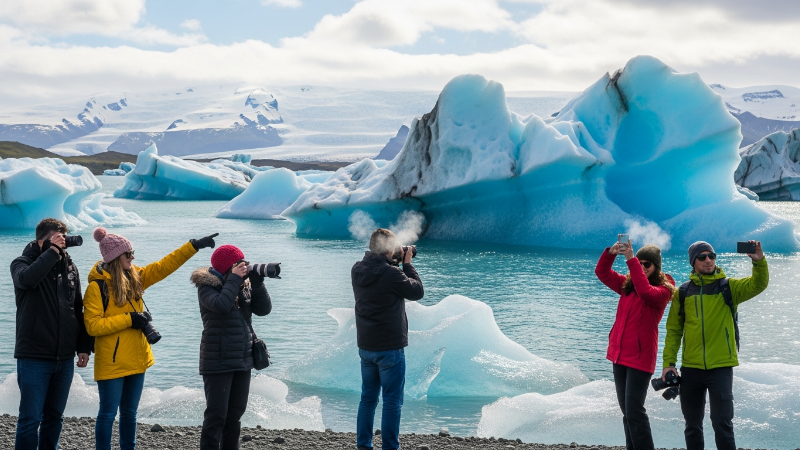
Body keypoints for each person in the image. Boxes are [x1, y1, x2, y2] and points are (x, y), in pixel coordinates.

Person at [83, 227, 217, 450]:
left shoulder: (135, 278)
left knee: (129, 414)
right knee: (107, 414)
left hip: (137, 359)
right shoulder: (96, 288)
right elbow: (92, 325)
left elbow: (165, 266)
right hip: (112, 362)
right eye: (128, 253)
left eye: (132, 252)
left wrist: (193, 245)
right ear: (116, 258)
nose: (132, 257)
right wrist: (129, 319)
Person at [661, 240, 768, 450]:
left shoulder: (729, 287)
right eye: (702, 257)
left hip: (721, 367)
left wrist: (759, 262)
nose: (708, 260)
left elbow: (758, 284)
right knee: (692, 425)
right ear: (693, 262)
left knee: (722, 423)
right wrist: (668, 363)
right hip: (691, 368)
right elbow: (673, 331)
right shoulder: (682, 293)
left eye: (711, 256)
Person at [10, 218, 93, 450]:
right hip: (34, 356)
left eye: (63, 240)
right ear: (40, 241)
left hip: (64, 357)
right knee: (30, 419)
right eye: (57, 239)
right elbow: (27, 280)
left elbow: (78, 308)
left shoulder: (70, 268)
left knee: (54, 418)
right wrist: (53, 252)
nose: (62, 244)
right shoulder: (21, 263)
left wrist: (84, 346)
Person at [595, 240, 675, 450]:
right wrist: (610, 253)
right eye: (639, 263)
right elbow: (602, 273)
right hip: (619, 355)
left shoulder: (664, 290)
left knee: (634, 410)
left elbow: (646, 292)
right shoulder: (627, 286)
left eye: (646, 264)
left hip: (640, 357)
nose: (642, 267)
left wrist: (631, 261)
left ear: (656, 267)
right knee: (627, 412)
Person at [190, 245, 272, 449]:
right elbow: (221, 305)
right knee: (216, 415)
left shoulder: (241, 285)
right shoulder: (207, 286)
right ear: (229, 267)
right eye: (240, 264)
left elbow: (263, 310)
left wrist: (258, 283)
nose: (244, 268)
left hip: (242, 359)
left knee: (235, 414)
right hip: (217, 359)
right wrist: (235, 280)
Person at [351, 229, 424, 450]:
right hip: (390, 347)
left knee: (368, 399)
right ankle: (390, 447)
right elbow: (417, 291)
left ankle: (363, 446)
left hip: (366, 346)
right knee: (392, 402)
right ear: (389, 249)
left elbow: (379, 273)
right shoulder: (392, 274)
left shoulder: (357, 269)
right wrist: (407, 263)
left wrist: (393, 260)